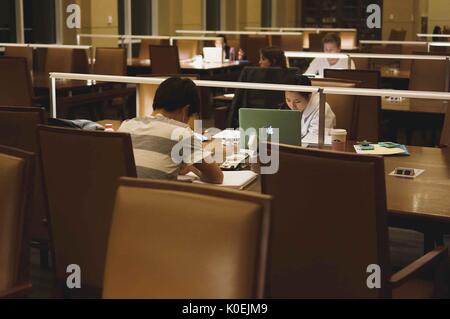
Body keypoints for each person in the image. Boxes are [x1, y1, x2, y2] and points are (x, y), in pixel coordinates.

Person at [119, 77, 224, 184]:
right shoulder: (181, 132)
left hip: (121, 196)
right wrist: (192, 167)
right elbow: (216, 177)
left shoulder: (126, 125)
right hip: (155, 198)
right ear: (185, 110)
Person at [281, 75, 336, 141]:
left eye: (297, 101)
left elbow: (314, 139)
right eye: (288, 100)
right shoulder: (287, 106)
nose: (292, 106)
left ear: (309, 96)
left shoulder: (321, 109)